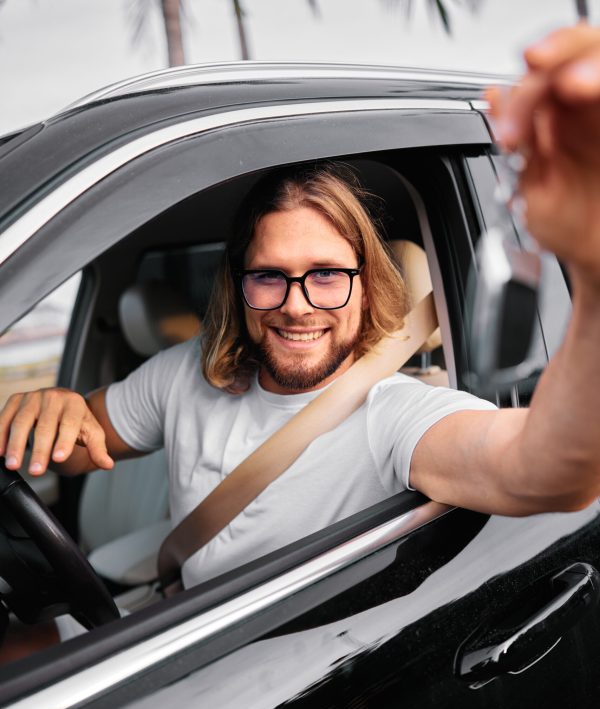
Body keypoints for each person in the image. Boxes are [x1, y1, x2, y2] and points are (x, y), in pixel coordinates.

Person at [2, 24, 600, 596]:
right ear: (238, 285)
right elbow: (81, 444)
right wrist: (52, 410)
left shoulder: (392, 416)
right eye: (268, 277)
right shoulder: (186, 372)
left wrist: (592, 269)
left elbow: (546, 471)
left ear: (366, 285)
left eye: (326, 276)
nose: (296, 306)